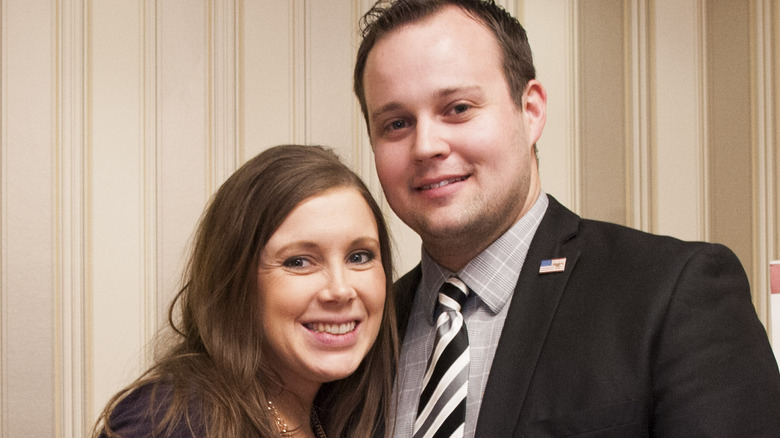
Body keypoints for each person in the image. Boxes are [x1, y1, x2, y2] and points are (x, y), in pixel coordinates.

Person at [353, 0, 780, 436]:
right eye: (396, 123)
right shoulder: (363, 331)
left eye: (458, 108)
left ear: (531, 110)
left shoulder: (673, 293)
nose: (426, 145)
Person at [91, 145, 398, 438]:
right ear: (236, 280)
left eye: (359, 256)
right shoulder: (170, 422)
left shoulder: (331, 414)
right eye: (299, 261)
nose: (341, 290)